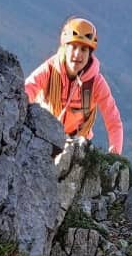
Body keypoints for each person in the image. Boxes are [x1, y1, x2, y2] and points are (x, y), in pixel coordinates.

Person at [24, 17, 124, 154]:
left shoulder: (96, 83)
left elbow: (113, 121)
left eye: (83, 49)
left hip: (77, 146)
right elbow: (27, 90)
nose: (78, 54)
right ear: (65, 48)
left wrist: (115, 152)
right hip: (43, 136)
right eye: (74, 47)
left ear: (89, 54)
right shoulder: (50, 70)